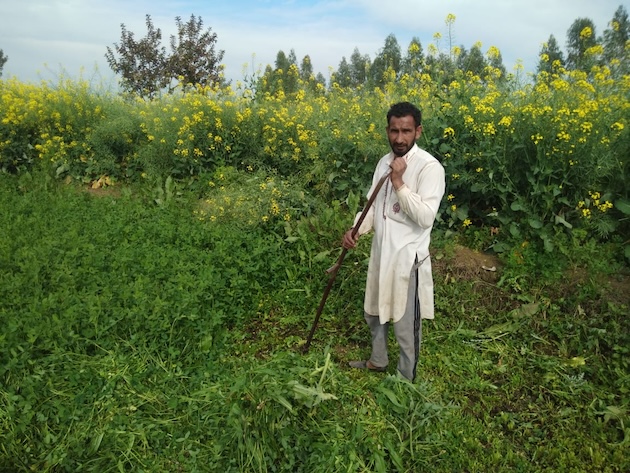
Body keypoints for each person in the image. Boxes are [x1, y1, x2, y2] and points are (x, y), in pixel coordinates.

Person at [343, 101, 445, 382]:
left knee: (403, 322)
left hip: (406, 258)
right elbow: (372, 206)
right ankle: (377, 360)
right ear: (387, 130)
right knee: (374, 311)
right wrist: (356, 230)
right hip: (381, 253)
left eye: (406, 131)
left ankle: (405, 379)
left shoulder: (429, 168)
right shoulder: (383, 162)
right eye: (394, 131)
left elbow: (425, 217)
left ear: (418, 131)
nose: (399, 138)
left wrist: (399, 182)